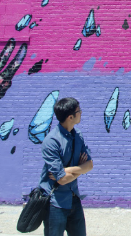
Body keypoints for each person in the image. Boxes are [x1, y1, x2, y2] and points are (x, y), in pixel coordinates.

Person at [40, 97, 93, 236]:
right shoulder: (51, 142)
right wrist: (80, 169)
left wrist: (68, 170)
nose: (81, 113)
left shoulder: (78, 136)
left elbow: (90, 165)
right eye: (79, 111)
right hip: (55, 202)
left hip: (74, 198)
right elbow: (61, 179)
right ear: (71, 117)